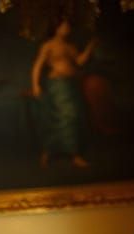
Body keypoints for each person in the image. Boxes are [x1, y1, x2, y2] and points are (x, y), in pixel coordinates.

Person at [30, 19, 97, 169]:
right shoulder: (49, 45)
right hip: (57, 85)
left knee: (73, 117)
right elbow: (37, 65)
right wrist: (35, 85)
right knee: (62, 117)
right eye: (64, 25)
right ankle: (49, 153)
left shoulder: (70, 46)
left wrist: (90, 48)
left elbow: (79, 62)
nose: (67, 28)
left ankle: (74, 155)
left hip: (71, 85)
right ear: (56, 27)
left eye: (68, 25)